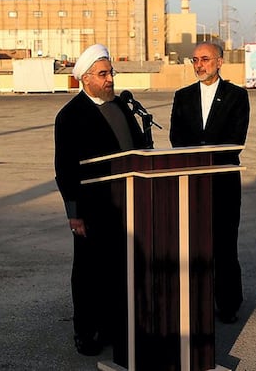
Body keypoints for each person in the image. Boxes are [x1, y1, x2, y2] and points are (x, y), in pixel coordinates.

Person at [54, 43, 146, 358]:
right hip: (92, 210)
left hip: (128, 205)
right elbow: (64, 169)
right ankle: (86, 331)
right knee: (89, 274)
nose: (110, 79)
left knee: (119, 271)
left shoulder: (121, 106)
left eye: (111, 73)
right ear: (86, 78)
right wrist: (74, 213)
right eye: (103, 74)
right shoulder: (69, 116)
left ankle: (114, 326)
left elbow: (139, 150)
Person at [169, 39, 250, 324]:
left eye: (204, 59)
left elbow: (235, 140)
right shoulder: (183, 96)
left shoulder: (237, 96)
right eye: (195, 60)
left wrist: (205, 156)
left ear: (219, 61)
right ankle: (194, 301)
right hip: (191, 181)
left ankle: (228, 303)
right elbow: (176, 137)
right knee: (192, 244)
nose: (199, 65)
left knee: (225, 244)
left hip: (223, 182)